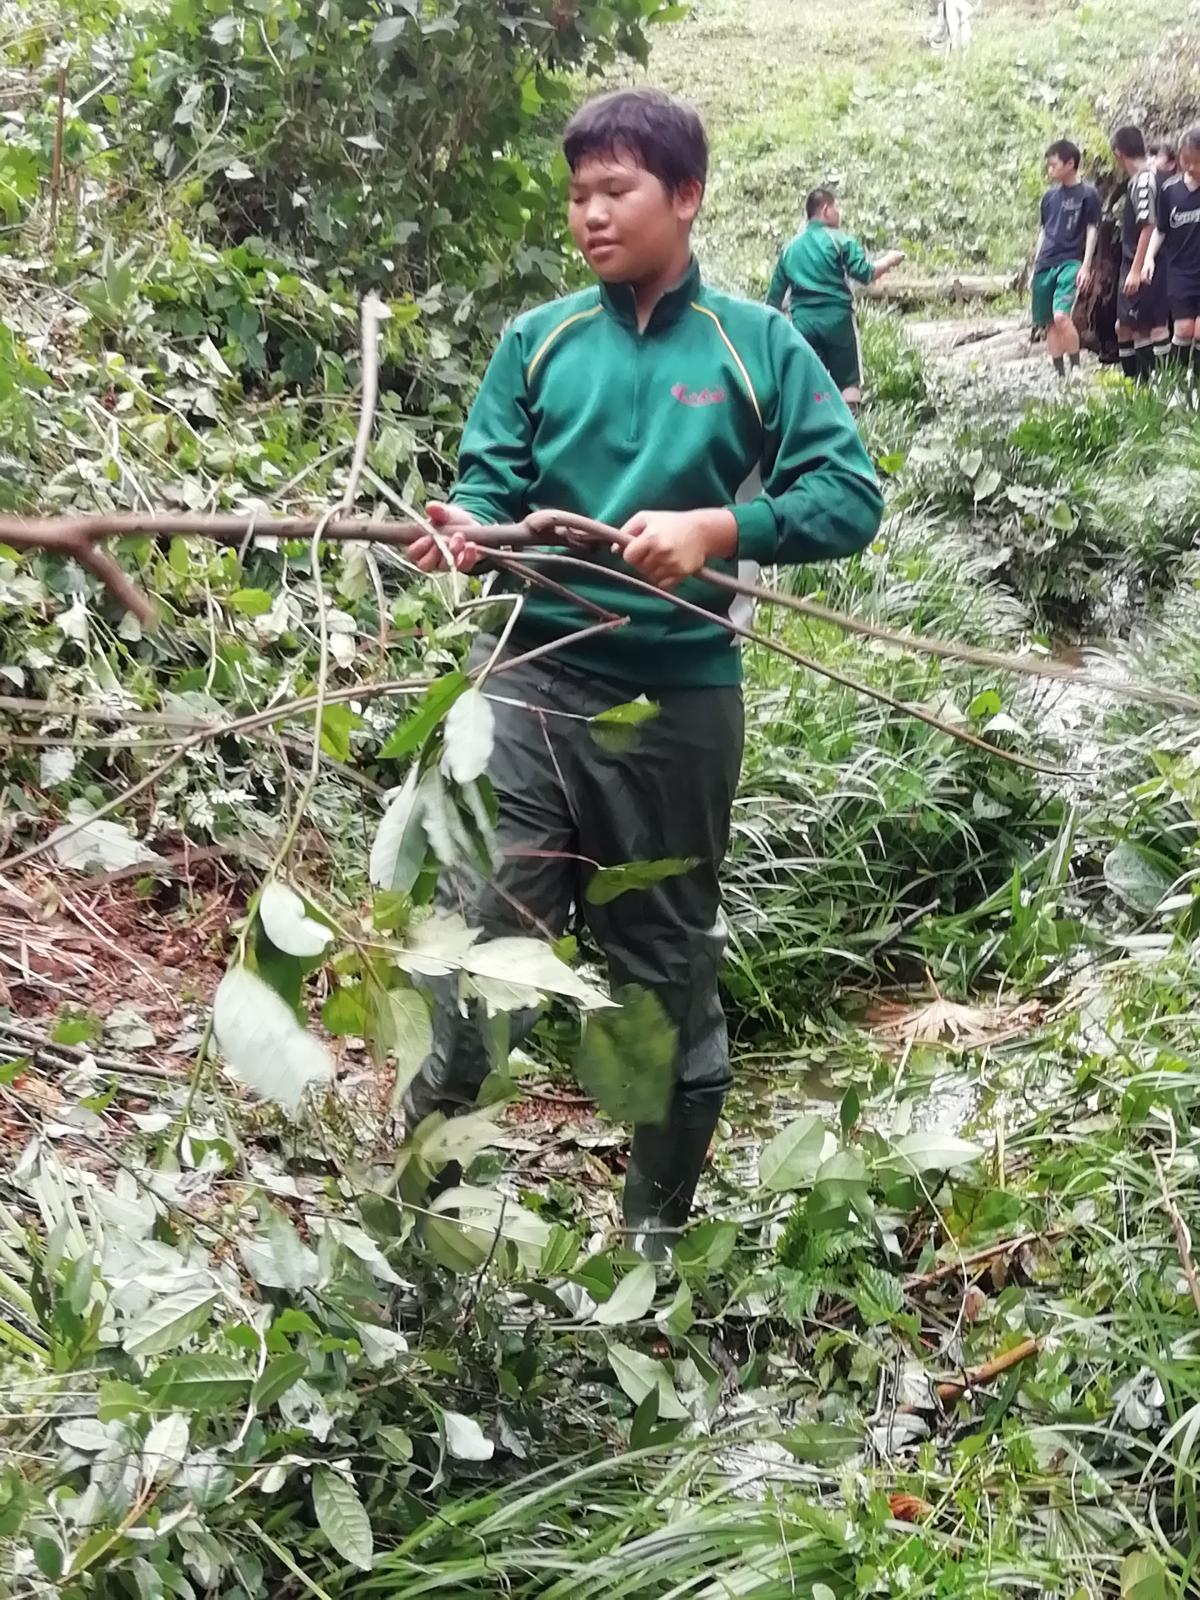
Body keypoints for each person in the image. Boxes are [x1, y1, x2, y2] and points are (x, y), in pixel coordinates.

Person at [402, 88, 884, 1258]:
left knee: (662, 977)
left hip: (674, 700)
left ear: (686, 196)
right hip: (528, 676)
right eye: (577, 194)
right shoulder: (540, 340)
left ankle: (651, 1242)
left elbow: (847, 496)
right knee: (481, 952)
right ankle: (412, 1221)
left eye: (615, 190)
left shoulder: (759, 345)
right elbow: (488, 479)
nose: (590, 214)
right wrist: (468, 526)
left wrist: (718, 530)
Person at [765, 188, 904, 408]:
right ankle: (852, 425)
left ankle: (813, 429)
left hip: (803, 325)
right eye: (837, 207)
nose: (839, 212)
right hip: (838, 322)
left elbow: (773, 301)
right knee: (848, 381)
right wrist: (890, 260)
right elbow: (866, 273)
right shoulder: (840, 241)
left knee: (809, 383)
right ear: (826, 210)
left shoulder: (789, 249)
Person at [1031, 139, 1101, 377]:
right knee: (1049, 321)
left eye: (1054, 165)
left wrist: (1086, 265)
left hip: (1070, 260)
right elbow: (1044, 231)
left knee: (1062, 316)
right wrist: (1035, 263)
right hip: (1045, 263)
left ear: (1070, 163)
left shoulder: (1088, 194)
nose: (1050, 170)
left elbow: (1093, 229)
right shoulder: (1049, 197)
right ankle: (1060, 375)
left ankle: (1077, 370)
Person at [1110, 125, 1171, 379]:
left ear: (1118, 153)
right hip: (1142, 259)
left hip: (1143, 260)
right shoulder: (1150, 176)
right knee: (1133, 327)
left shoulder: (1144, 180)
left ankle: (1155, 384)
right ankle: (1143, 386)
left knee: (1150, 326)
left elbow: (1148, 226)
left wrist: (1136, 269)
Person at [1146, 125, 1200, 376]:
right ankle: (1178, 385)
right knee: (1183, 329)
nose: (1190, 168)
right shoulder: (1170, 190)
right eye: (1185, 161)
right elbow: (1161, 229)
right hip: (1179, 270)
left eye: (1196, 162)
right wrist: (1149, 258)